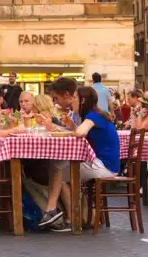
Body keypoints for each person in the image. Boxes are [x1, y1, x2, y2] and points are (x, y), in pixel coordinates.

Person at [40, 86, 120, 232]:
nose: (71, 101)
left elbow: (79, 133)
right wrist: (70, 126)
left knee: (58, 168)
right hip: (105, 164)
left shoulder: (93, 116)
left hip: (104, 166)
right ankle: (59, 213)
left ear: (82, 100)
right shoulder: (95, 115)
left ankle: (62, 215)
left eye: (74, 98)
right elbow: (77, 131)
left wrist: (72, 128)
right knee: (57, 167)